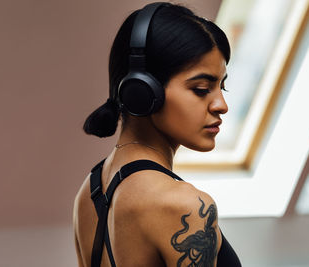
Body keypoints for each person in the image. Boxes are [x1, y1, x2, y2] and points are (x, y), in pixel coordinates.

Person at [73, 2, 242, 267]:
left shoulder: (91, 190)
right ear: (142, 92)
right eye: (201, 88)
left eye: (222, 87)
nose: (221, 105)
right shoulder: (183, 204)